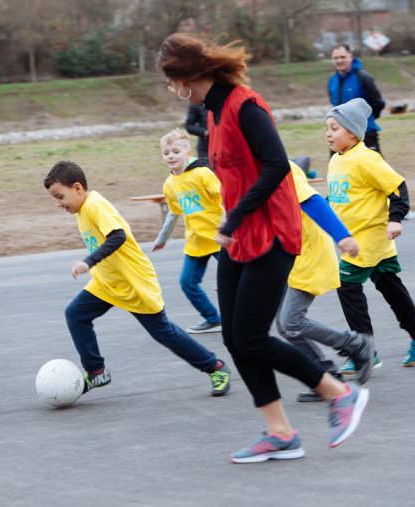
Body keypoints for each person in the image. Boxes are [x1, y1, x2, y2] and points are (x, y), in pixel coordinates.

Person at [159, 33, 369, 463]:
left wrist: (234, 218)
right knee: (237, 339)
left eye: (169, 79)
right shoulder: (213, 114)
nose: (169, 88)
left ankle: (339, 393)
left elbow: (276, 165)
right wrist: (230, 219)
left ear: (185, 77)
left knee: (252, 336)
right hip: (237, 237)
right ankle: (280, 432)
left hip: (272, 234)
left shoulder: (243, 104)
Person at [43, 160, 232, 397]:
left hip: (134, 282)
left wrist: (88, 262)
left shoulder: (95, 206)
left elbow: (117, 236)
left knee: (164, 333)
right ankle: (96, 371)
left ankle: (215, 367)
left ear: (78, 188)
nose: (58, 204)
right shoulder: (83, 208)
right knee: (76, 314)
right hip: (108, 282)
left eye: (60, 197)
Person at [326, 98, 415, 375]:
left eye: (334, 128)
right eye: (327, 128)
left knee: (347, 285)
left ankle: (365, 351)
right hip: (354, 238)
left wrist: (396, 219)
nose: (328, 133)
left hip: (369, 237)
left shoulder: (366, 159)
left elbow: (397, 186)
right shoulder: (337, 160)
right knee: (389, 286)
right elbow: (341, 198)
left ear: (351, 133)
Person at [275, 161, 374, 403]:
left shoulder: (278, 167)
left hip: (308, 253)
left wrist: (342, 235)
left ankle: (355, 344)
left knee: (291, 321)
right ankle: (327, 377)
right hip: (284, 257)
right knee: (284, 325)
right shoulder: (247, 174)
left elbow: (312, 201)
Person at [152, 128, 223, 334]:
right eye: (166, 153)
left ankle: (255, 312)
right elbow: (174, 213)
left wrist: (228, 227)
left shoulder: (202, 174)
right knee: (187, 282)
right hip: (196, 240)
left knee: (235, 281)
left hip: (219, 237)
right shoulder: (170, 184)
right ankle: (213, 319)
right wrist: (162, 238)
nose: (171, 156)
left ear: (187, 152)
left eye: (175, 151)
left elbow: (226, 199)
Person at [328, 44, 385, 154]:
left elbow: (378, 103)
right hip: (340, 135)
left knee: (372, 169)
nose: (339, 61)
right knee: (338, 169)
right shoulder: (332, 81)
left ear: (351, 57)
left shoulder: (363, 77)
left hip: (364, 134)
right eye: (336, 58)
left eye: (343, 57)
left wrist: (366, 120)